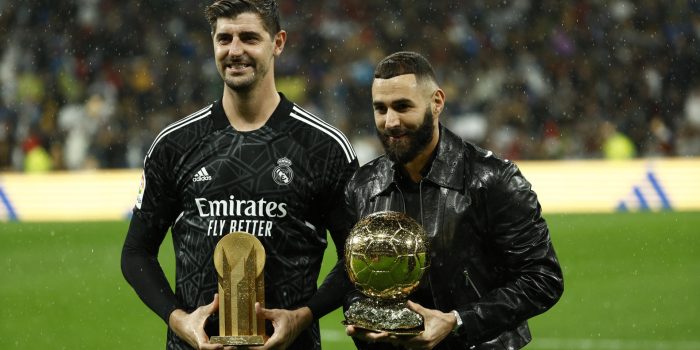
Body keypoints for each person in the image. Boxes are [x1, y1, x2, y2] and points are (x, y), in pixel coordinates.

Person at [121, 1, 359, 349]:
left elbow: (357, 259)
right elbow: (136, 253)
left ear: (277, 43)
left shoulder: (324, 147)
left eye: (249, 38)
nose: (235, 51)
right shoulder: (175, 144)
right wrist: (179, 319)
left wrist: (303, 316)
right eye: (224, 39)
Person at [342, 51, 564, 349]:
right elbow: (355, 278)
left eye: (402, 106)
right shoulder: (363, 185)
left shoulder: (493, 180)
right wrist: (362, 318)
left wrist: (459, 321)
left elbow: (543, 278)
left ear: (437, 102)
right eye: (380, 109)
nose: (390, 121)